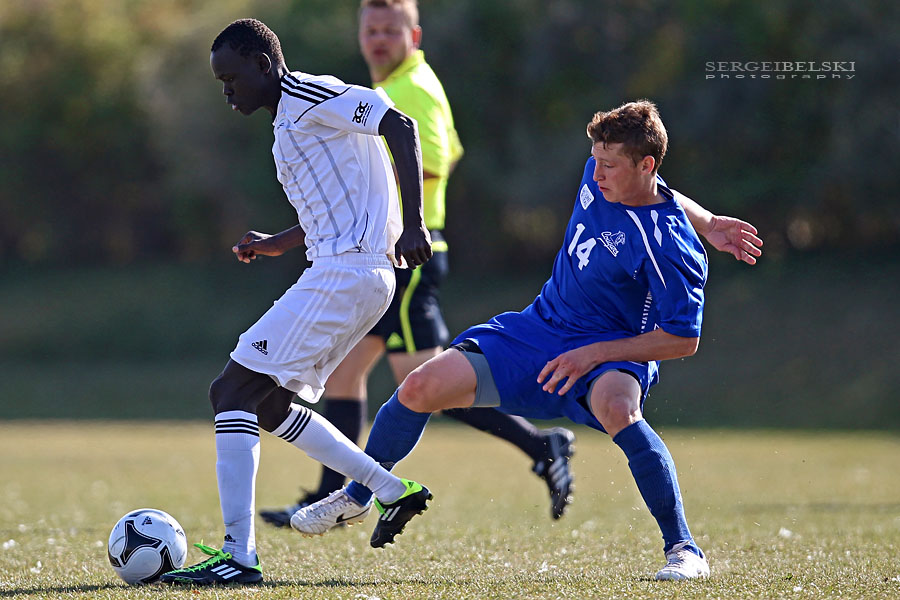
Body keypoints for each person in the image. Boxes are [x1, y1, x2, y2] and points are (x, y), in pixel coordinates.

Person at [292, 100, 763, 578]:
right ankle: (356, 497)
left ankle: (684, 550)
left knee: (619, 409)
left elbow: (682, 340)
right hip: (538, 328)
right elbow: (666, 192)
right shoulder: (609, 175)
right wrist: (708, 219)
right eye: (595, 160)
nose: (596, 174)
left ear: (646, 164)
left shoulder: (669, 246)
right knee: (418, 388)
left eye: (610, 165)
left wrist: (593, 354)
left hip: (612, 348)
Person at [260, 0, 576, 529]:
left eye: (390, 30)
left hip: (406, 256)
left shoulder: (412, 90)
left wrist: (400, 217)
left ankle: (541, 443)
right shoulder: (404, 86)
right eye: (371, 30)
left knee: (430, 386)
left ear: (415, 35)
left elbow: (430, 163)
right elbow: (451, 152)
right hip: (392, 254)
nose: (379, 40)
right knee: (345, 373)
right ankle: (327, 494)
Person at [158, 18, 436, 586]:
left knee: (229, 390)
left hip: (349, 273)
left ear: (264, 65)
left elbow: (399, 124)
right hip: (347, 274)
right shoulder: (286, 126)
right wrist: (274, 243)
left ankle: (239, 558)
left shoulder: (309, 96)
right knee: (264, 403)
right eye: (220, 82)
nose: (227, 90)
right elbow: (326, 215)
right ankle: (388, 490)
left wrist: (414, 224)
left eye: (232, 77)